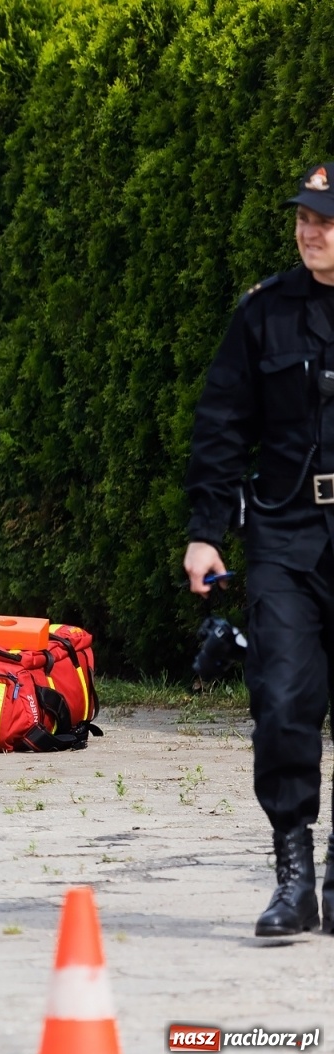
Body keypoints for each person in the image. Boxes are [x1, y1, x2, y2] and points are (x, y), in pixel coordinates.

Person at [185, 161, 334, 937]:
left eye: (325, 218)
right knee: (281, 701)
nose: (311, 229)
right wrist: (206, 532)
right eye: (304, 217)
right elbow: (221, 427)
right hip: (285, 533)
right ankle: (294, 877)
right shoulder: (265, 314)